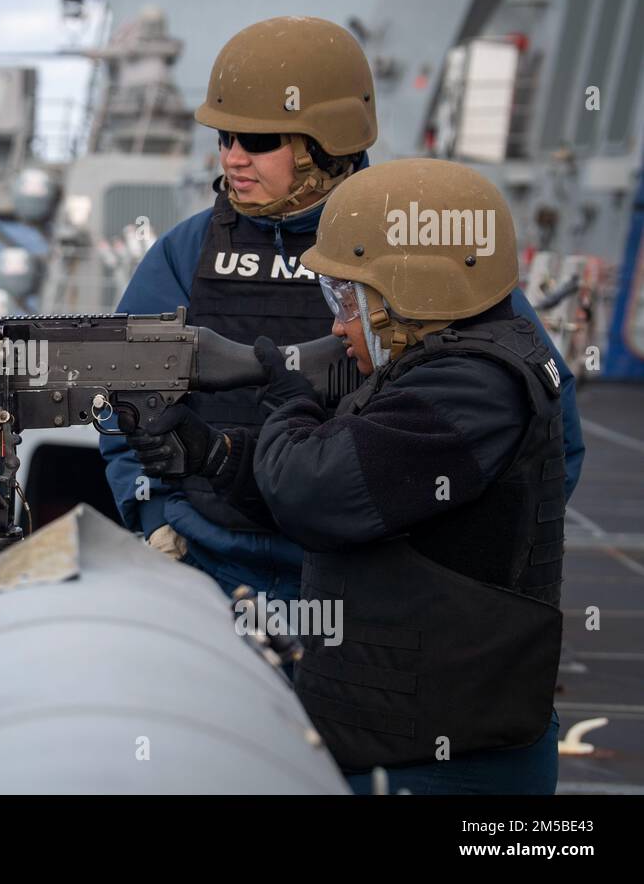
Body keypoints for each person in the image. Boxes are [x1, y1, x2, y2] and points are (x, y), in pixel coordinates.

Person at [101, 16, 584, 605]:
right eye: (224, 138)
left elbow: (545, 430)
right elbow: (123, 398)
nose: (233, 159)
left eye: (257, 141)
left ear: (323, 145)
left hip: (367, 581)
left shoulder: (421, 244)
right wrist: (153, 513)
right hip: (212, 568)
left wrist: (446, 559)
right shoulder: (186, 251)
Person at [172, 159, 566, 793]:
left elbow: (316, 495)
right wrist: (214, 454)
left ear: (408, 293)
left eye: (349, 300)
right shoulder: (446, 368)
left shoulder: (471, 388)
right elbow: (360, 478)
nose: (336, 324)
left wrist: (288, 397)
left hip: (450, 766)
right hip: (407, 739)